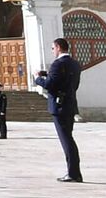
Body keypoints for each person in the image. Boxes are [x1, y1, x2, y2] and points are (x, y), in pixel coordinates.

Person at [34, 37, 83, 182]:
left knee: (66, 140)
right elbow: (73, 84)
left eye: (53, 48)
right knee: (69, 138)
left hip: (59, 106)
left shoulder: (58, 64)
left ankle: (74, 173)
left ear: (58, 47)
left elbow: (50, 84)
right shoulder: (74, 64)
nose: (52, 51)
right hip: (70, 104)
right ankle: (75, 172)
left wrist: (37, 78)